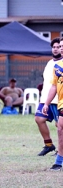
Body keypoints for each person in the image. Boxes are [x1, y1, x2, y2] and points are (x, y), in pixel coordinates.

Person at [35, 37, 62, 156]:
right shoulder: (50, 63)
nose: (56, 49)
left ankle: (60, 151)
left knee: (59, 125)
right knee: (39, 119)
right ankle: (49, 145)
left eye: (58, 47)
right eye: (54, 47)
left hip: (58, 100)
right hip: (46, 99)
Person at [42, 37, 63, 171]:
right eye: (60, 46)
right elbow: (54, 86)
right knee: (60, 129)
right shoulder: (58, 66)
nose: (61, 48)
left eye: (62, 46)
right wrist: (46, 103)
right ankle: (59, 161)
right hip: (61, 102)